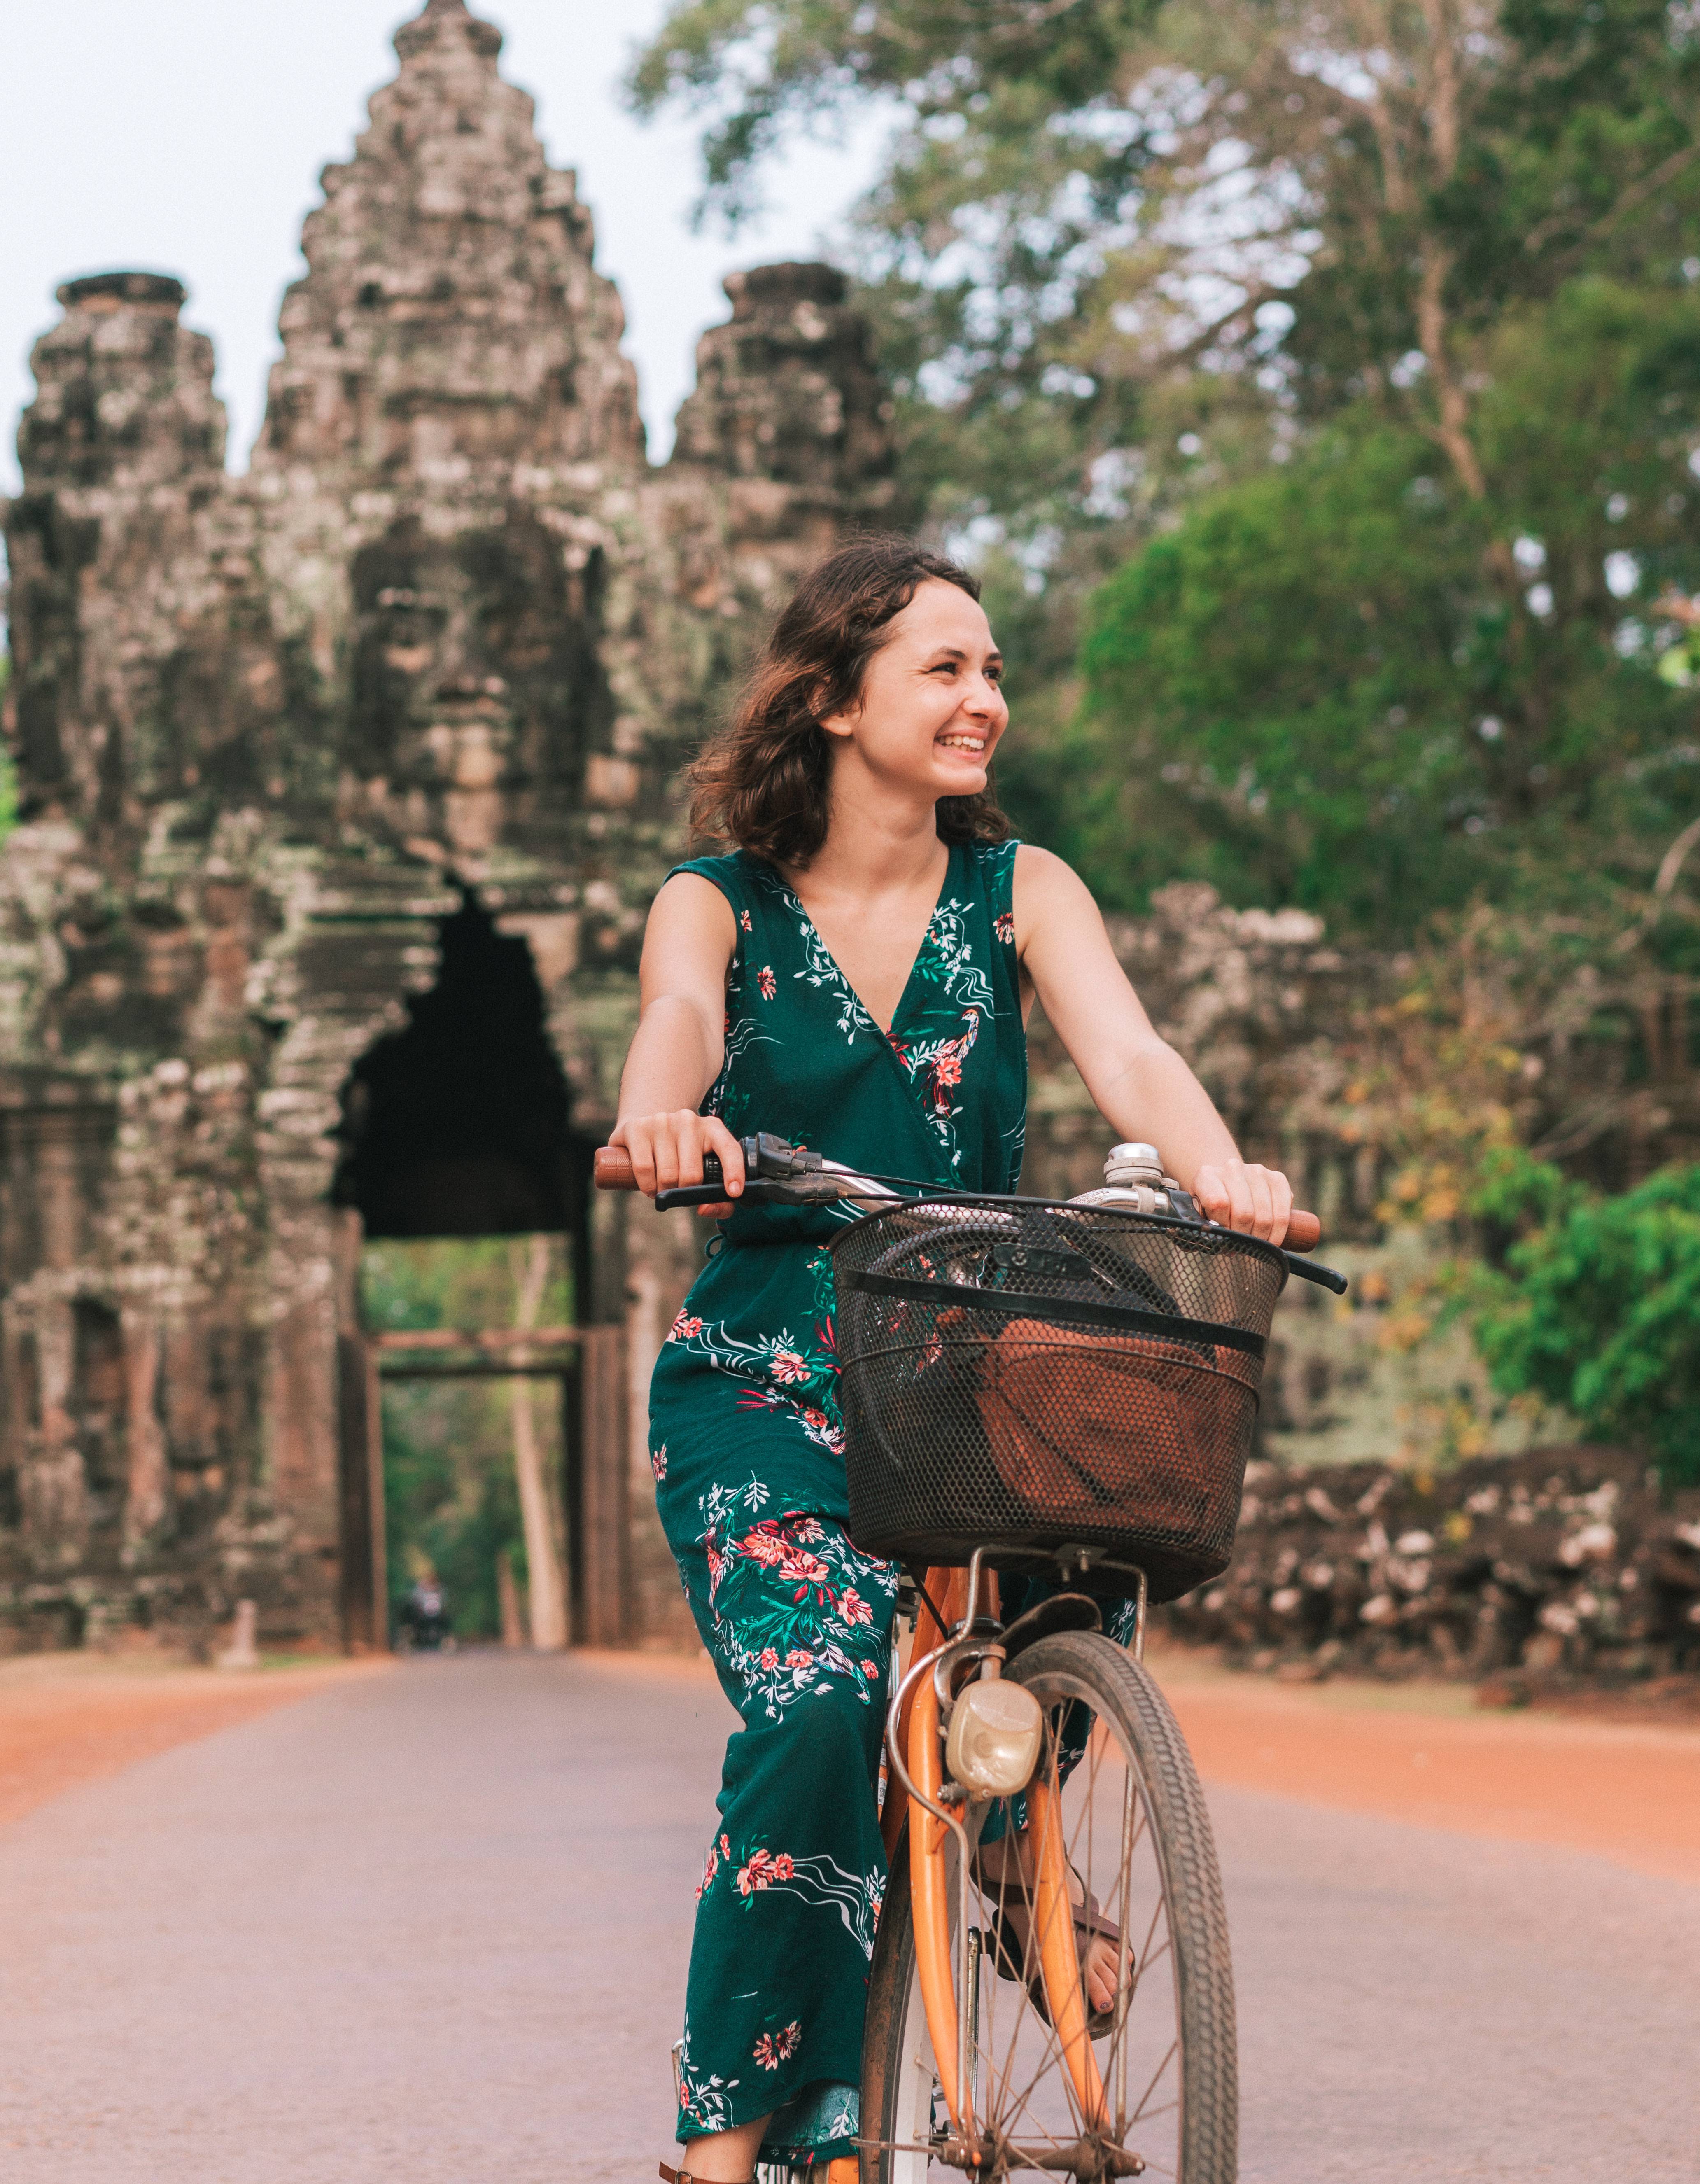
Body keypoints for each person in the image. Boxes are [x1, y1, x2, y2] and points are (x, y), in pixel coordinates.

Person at [605, 537, 1294, 2183]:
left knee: (1068, 1572)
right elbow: (678, 1014)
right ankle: (733, 2143)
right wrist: (662, 1111)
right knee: (818, 1702)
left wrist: (1219, 1170)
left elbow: (1124, 1047)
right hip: (770, 1379)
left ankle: (1001, 1830)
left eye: (990, 670)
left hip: (972, 1358)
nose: (983, 699)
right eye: (942, 670)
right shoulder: (717, 902)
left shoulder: (1022, 890)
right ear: (834, 703)